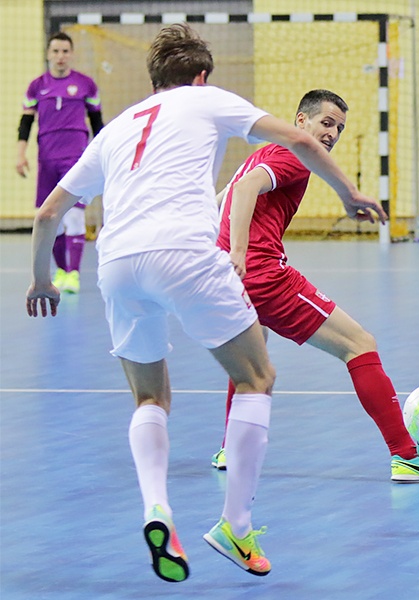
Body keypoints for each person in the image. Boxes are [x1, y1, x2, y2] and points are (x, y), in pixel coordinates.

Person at [26, 24, 384, 582]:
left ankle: (157, 510)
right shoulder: (207, 98)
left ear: (153, 80)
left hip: (116, 263)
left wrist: (41, 281)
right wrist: (350, 193)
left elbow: (48, 213)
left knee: (150, 399)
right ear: (199, 77)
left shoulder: (117, 128)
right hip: (186, 254)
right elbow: (303, 141)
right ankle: (235, 526)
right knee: (256, 377)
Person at [210, 89, 419, 484]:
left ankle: (233, 448)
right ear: (301, 122)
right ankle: (407, 456)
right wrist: (239, 255)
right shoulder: (292, 154)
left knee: (249, 358)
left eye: (339, 129)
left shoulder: (261, 153)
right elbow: (241, 193)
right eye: (326, 123)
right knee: (359, 344)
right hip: (263, 275)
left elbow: (222, 198)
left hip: (232, 280)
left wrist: (219, 256)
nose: (331, 134)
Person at [18, 31, 103, 294]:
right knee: (49, 218)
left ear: (72, 54)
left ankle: (74, 274)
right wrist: (20, 153)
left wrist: (103, 157)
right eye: (55, 51)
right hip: (47, 160)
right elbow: (25, 123)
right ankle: (61, 272)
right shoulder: (36, 86)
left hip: (75, 159)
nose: (60, 56)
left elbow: (99, 125)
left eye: (65, 51)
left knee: (75, 217)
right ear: (48, 54)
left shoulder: (86, 85)